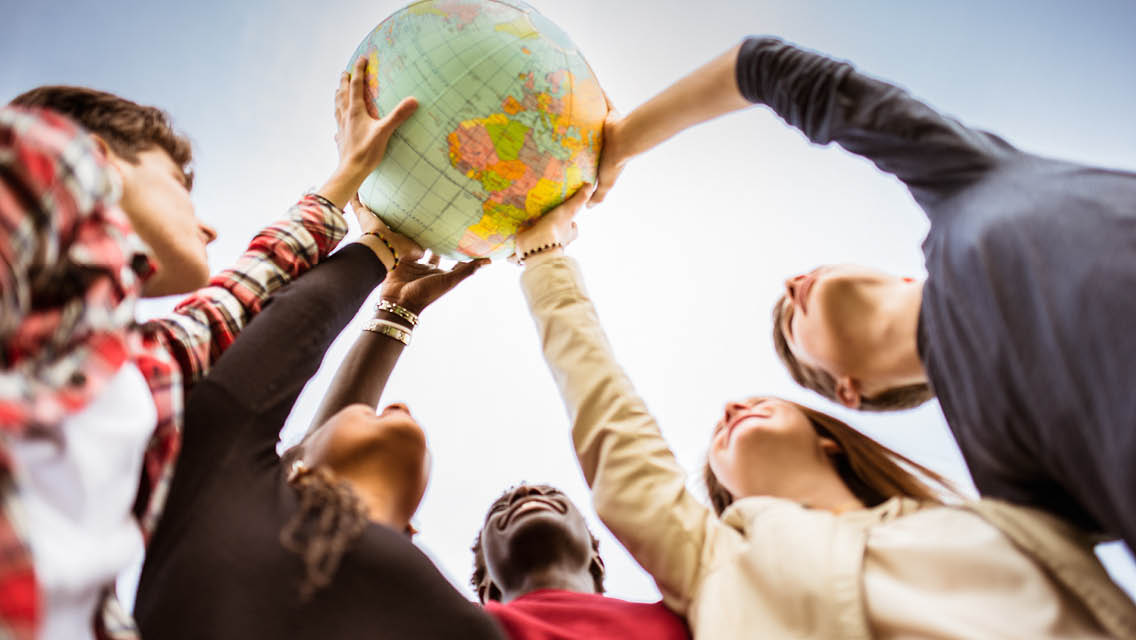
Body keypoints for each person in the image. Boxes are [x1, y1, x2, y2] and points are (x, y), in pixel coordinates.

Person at [588, 36, 1136, 553]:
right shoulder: (1006, 482)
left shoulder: (960, 180)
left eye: (807, 275)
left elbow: (763, 66)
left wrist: (618, 145)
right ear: (850, 391)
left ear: (902, 276)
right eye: (789, 326)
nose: (791, 284)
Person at [510, 188, 1136, 638]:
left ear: (831, 437)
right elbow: (612, 421)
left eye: (758, 402)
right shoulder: (710, 562)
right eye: (717, 440)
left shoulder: (1005, 516)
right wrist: (544, 259)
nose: (732, 408)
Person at [0, 55, 413, 639]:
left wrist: (371, 226)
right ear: (95, 161)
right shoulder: (30, 161)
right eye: (177, 182)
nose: (209, 227)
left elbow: (239, 297)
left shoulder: (140, 375)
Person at [132, 216, 501, 637]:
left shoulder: (466, 623)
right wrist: (386, 260)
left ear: (409, 531)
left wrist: (388, 258)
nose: (396, 405)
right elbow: (296, 324)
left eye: (373, 411)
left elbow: (296, 327)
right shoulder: (211, 488)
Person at [471, 483, 689, 639]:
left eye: (553, 494)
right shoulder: (456, 626)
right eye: (499, 510)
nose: (525, 492)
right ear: (486, 589)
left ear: (597, 560)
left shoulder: (690, 617)